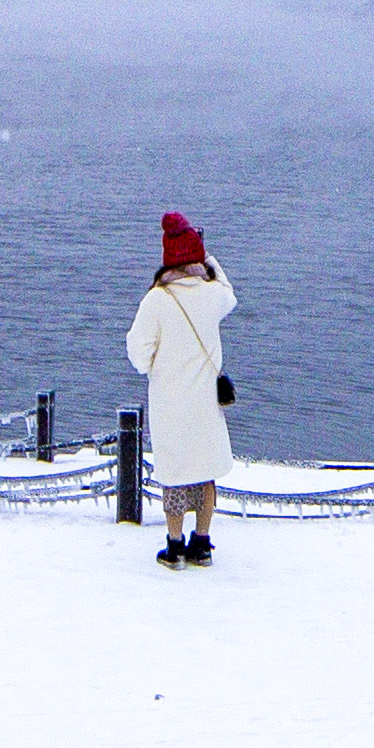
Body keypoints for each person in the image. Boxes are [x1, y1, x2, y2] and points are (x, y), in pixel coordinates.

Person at [126, 212, 236, 568]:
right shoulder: (212, 294)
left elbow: (138, 354)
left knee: (174, 476)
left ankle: (174, 546)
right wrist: (208, 258)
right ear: (196, 252)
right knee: (204, 471)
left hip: (170, 403)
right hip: (205, 402)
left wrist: (157, 365)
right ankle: (201, 543)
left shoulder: (156, 301)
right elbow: (229, 293)